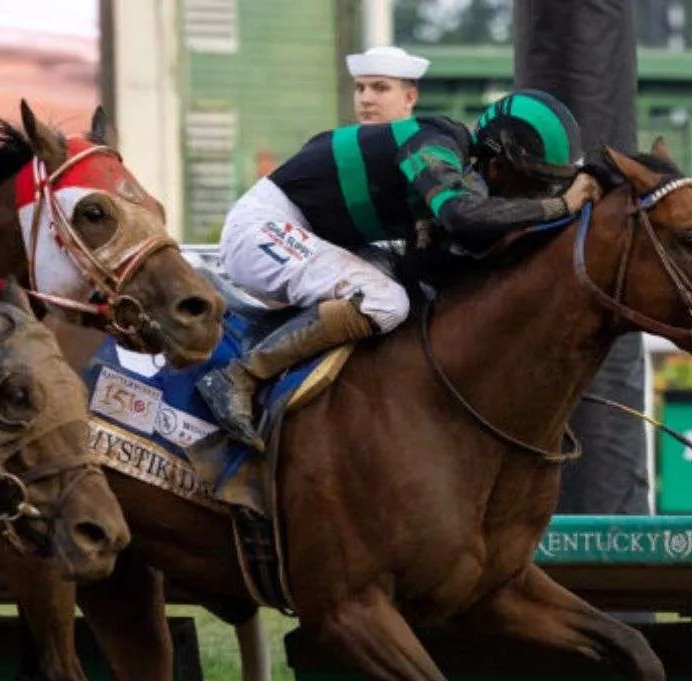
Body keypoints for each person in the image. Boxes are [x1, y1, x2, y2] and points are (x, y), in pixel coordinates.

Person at [198, 89, 603, 449]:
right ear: (500, 165)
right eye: (537, 185)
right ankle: (241, 376)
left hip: (319, 233)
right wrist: (561, 206)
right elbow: (463, 216)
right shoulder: (434, 141)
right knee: (385, 302)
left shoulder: (463, 173)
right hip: (261, 229)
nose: (540, 197)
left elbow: (435, 267)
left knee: (408, 297)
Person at [348, 45, 429, 125]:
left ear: (409, 98)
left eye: (380, 88)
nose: (365, 100)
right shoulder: (341, 137)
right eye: (360, 88)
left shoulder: (430, 138)